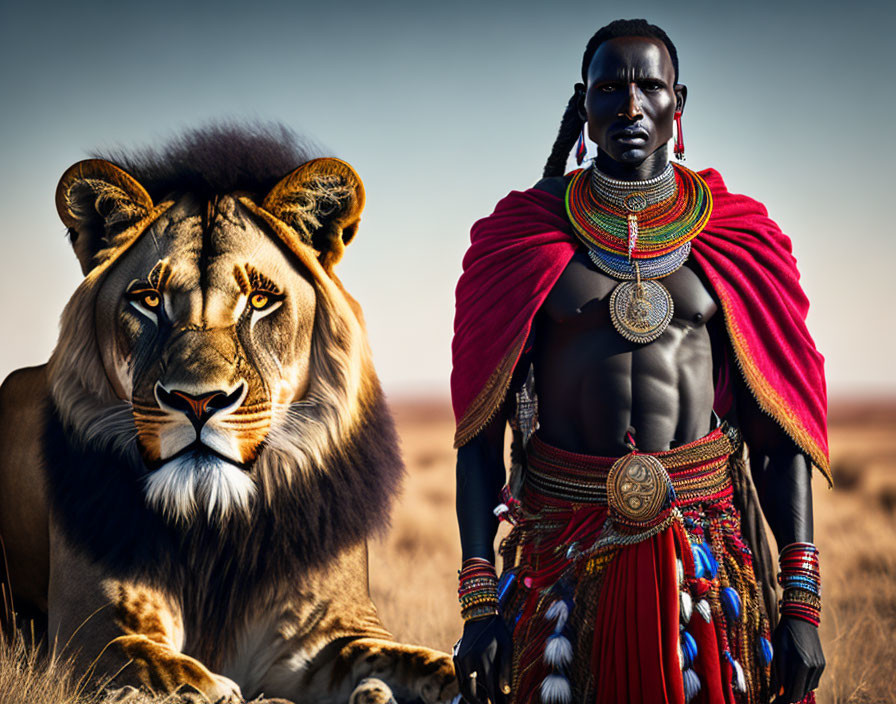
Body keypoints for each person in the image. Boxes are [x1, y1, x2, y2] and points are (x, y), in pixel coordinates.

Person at [450, 18, 828, 704]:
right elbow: (478, 436)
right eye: (610, 88)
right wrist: (479, 604)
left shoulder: (738, 236)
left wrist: (801, 603)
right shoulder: (524, 237)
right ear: (584, 105)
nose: (630, 106)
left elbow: (776, 441)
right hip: (562, 550)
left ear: (678, 104)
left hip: (703, 552)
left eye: (650, 86)